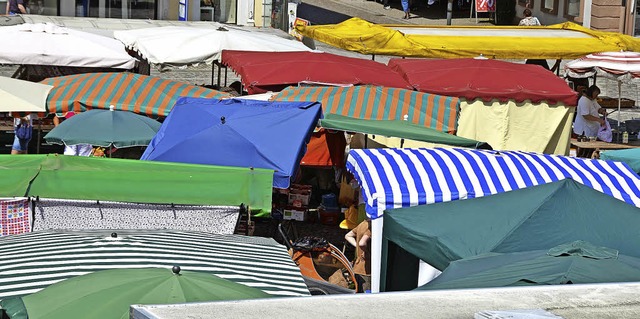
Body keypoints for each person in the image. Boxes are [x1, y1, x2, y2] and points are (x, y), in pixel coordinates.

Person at [345, 219, 371, 292]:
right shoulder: (371, 227)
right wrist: (366, 252)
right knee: (366, 296)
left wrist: (357, 247)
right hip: (367, 269)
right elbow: (362, 243)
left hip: (357, 267)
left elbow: (348, 236)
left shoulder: (362, 224)